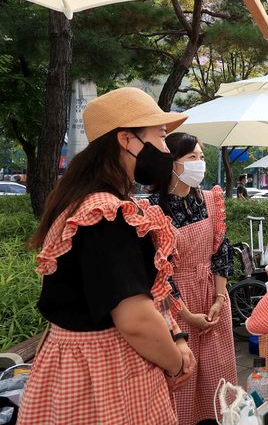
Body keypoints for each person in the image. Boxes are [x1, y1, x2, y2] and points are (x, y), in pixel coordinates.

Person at [19, 88, 196, 424]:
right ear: (127, 140)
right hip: (103, 375)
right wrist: (175, 363)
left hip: (76, 369)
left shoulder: (84, 203)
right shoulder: (105, 214)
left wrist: (177, 337)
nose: (165, 150)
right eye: (160, 137)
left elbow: (143, 298)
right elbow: (136, 320)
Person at [149, 132, 237, 425]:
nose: (199, 163)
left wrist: (219, 298)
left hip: (212, 299)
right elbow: (160, 270)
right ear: (172, 164)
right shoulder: (154, 209)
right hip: (176, 306)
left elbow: (221, 252)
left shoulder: (210, 200)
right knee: (182, 381)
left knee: (218, 379)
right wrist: (187, 314)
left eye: (201, 157)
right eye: (191, 158)